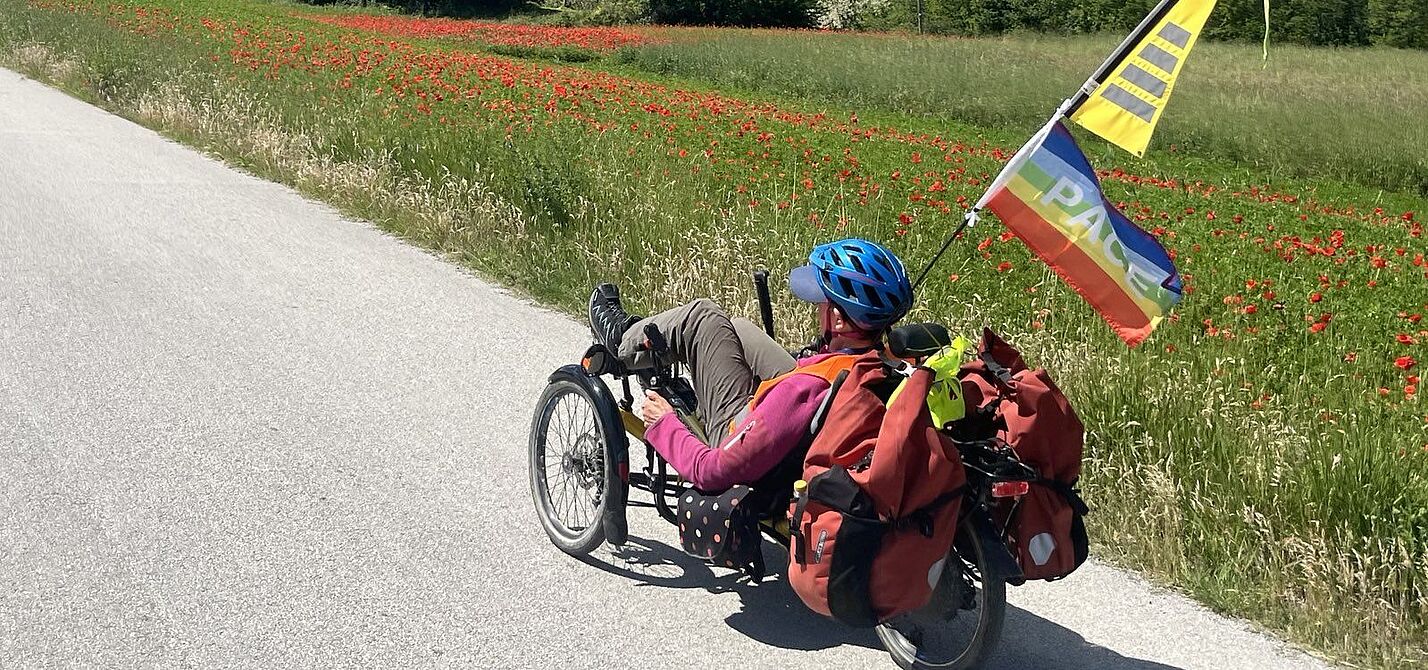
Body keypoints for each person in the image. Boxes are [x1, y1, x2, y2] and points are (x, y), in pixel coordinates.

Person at [587, 238, 913, 494]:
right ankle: (664, 355)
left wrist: (665, 424)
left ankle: (620, 342)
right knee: (737, 328)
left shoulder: (801, 391)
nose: (816, 307)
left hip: (753, 446)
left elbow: (712, 471)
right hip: (817, 404)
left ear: (839, 320)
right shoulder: (883, 361)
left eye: (821, 302)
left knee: (704, 316)